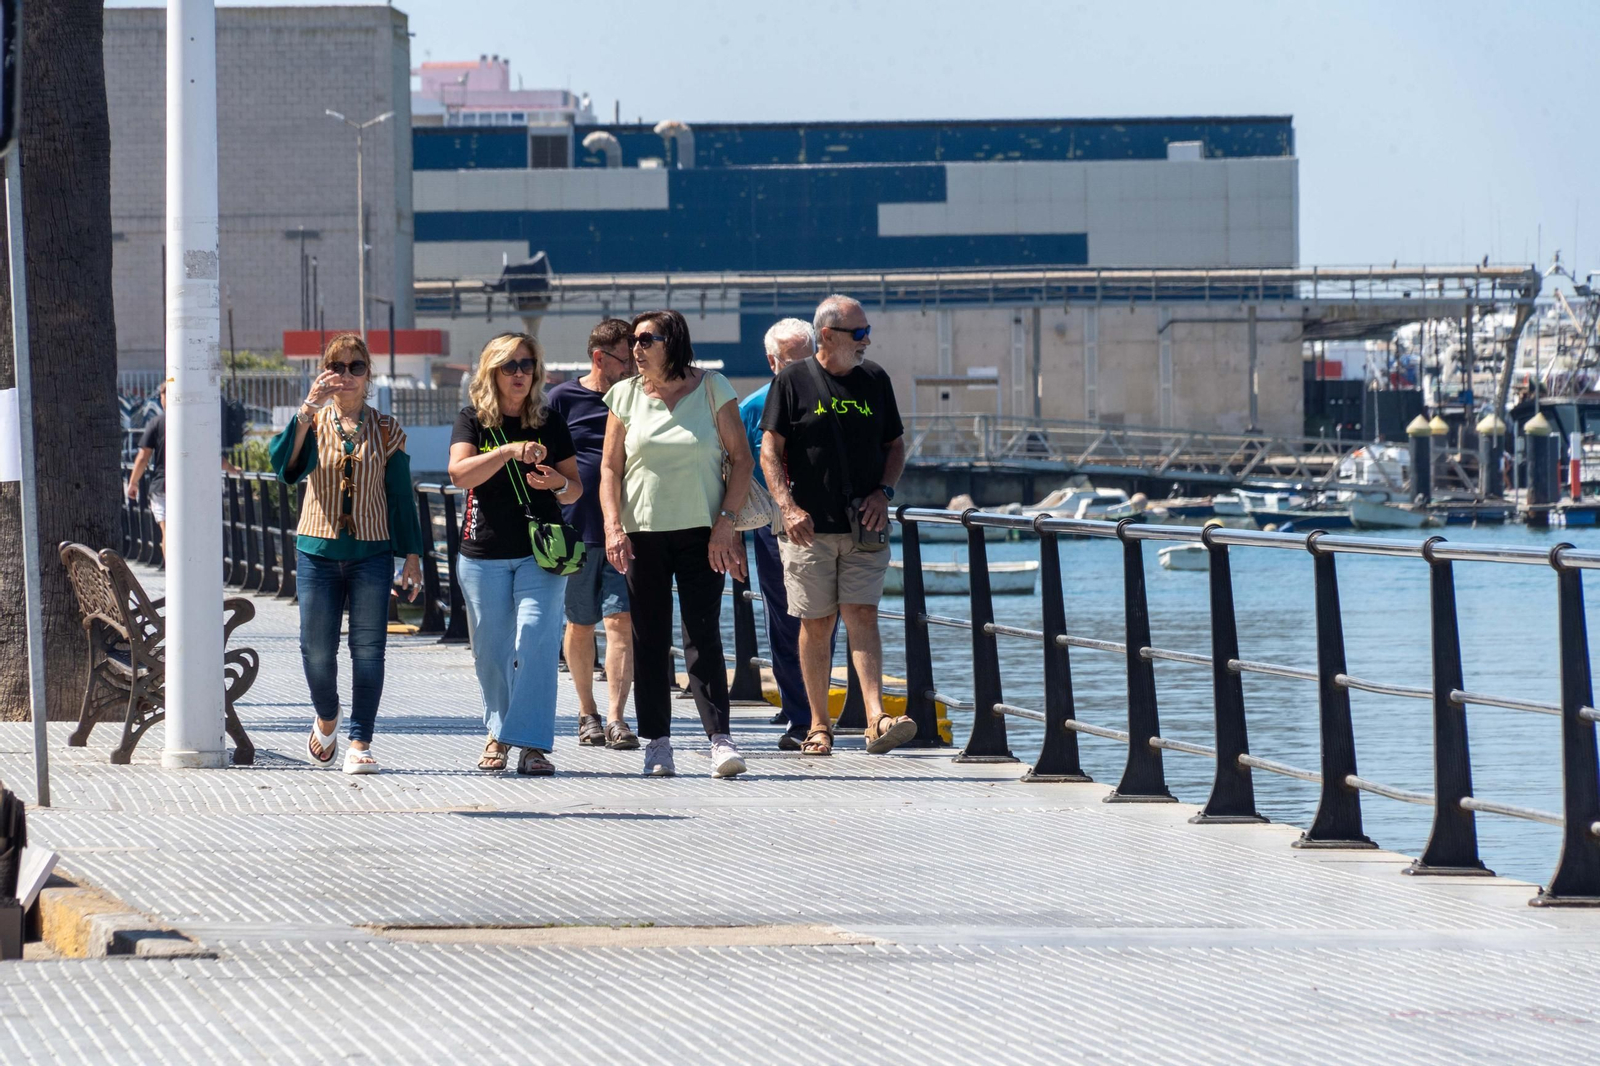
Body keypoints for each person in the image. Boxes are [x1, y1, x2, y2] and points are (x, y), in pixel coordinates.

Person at [600, 309, 755, 778]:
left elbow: (742, 459)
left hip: (703, 532)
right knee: (648, 638)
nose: (636, 348)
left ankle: (720, 740)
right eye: (633, 340)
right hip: (641, 532)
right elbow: (610, 468)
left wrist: (726, 524)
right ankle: (657, 743)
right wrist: (612, 526)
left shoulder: (713, 388)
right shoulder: (624, 395)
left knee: (702, 635)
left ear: (674, 341)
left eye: (646, 339)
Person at [760, 294, 914, 757]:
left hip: (863, 526)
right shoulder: (792, 381)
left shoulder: (875, 380)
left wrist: (882, 493)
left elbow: (896, 446)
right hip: (808, 528)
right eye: (859, 333)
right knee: (817, 622)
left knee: (863, 614)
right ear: (827, 335)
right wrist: (787, 507)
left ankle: (874, 718)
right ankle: (818, 726)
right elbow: (769, 452)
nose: (867, 341)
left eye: (867, 332)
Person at [270, 333, 425, 774]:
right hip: (316, 551)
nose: (346, 375)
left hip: (371, 554)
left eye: (356, 367)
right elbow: (284, 469)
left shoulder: (386, 428)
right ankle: (327, 715)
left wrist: (411, 556)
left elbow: (400, 497)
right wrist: (306, 409)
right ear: (324, 371)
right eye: (337, 366)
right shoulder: (313, 422)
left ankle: (360, 740)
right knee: (315, 649)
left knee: (369, 649)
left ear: (368, 374)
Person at [449, 332, 584, 776]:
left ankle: (530, 744)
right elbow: (459, 475)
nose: (521, 374)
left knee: (536, 640)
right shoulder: (473, 421)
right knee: (490, 650)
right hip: (482, 552)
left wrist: (556, 485)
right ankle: (498, 730)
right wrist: (507, 451)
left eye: (527, 365)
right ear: (492, 372)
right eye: (510, 366)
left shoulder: (549, 421)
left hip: (539, 554)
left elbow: (573, 489)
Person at [739, 318, 834, 750]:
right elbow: (734, 470)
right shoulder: (754, 407)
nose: (798, 367)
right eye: (789, 360)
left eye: (804, 356)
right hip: (773, 524)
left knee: (828, 618)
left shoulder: (836, 395)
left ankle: (817, 711)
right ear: (772, 362)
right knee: (784, 617)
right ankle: (800, 715)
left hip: (831, 521)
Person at [547, 319, 639, 751]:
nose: (633, 367)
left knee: (621, 621)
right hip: (575, 532)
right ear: (600, 358)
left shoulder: (639, 397)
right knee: (579, 623)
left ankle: (618, 718)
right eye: (625, 359)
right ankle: (587, 713)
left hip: (627, 529)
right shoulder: (563, 398)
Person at [124, 382, 240, 559]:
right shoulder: (195, 423)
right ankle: (192, 565)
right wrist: (232, 469)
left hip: (162, 486)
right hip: (190, 486)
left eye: (163, 396)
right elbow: (212, 455)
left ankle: (173, 571)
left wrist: (133, 483)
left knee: (167, 531)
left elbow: (143, 457)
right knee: (190, 531)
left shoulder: (157, 423)